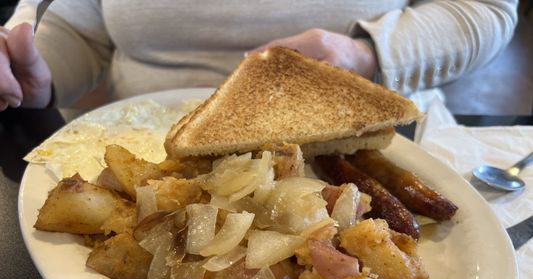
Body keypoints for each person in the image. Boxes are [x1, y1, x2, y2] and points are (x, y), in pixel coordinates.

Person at [0, 0, 518, 112]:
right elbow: (81, 30)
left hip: (364, 139)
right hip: (139, 140)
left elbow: (486, 10)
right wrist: (29, 74)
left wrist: (365, 54)